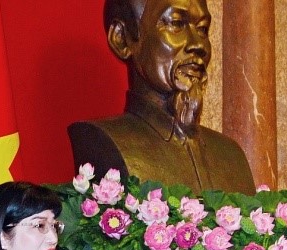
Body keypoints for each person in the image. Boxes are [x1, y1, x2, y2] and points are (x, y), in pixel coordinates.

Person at [68, 0, 256, 195]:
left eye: (202, 29)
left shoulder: (231, 155)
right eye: (175, 24)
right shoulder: (101, 141)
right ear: (122, 39)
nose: (198, 45)